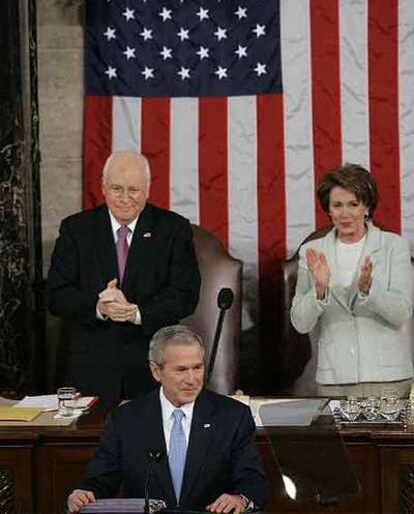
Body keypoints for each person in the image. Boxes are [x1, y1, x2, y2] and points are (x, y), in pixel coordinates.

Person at [48, 151, 201, 399]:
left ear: (148, 190)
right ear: (103, 188)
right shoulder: (76, 229)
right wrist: (99, 307)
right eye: (117, 189)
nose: (126, 198)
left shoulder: (173, 229)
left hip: (153, 360)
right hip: (90, 362)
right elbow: (56, 295)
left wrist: (136, 313)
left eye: (134, 190)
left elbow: (185, 294)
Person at [67, 325, 268, 514]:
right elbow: (100, 481)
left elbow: (253, 481)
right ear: (156, 371)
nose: (192, 379)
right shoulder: (125, 419)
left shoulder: (233, 416)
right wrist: (83, 494)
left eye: (197, 368)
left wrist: (240, 499)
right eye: (181, 370)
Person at [291, 163, 413, 397]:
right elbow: (300, 323)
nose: (345, 214)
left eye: (353, 204)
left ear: (366, 207)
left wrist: (369, 290)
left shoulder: (393, 247)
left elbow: (401, 313)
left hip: (389, 379)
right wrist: (319, 289)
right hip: (334, 379)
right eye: (337, 205)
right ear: (328, 209)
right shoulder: (312, 252)